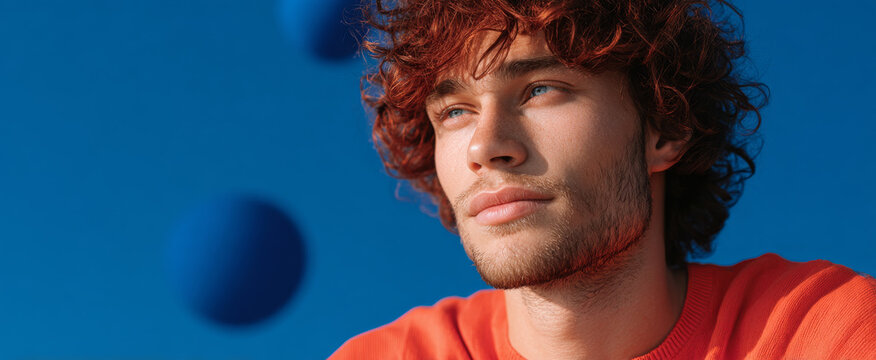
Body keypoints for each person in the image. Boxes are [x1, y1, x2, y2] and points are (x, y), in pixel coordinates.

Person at [331, 0, 876, 358]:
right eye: (455, 112)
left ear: (665, 127)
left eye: (541, 89)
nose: (486, 146)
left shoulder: (821, 334)